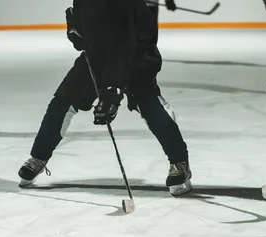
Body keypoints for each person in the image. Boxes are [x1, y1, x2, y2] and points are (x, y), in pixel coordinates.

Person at [18, 0, 192, 196]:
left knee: (149, 105)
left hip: (136, 57)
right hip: (97, 55)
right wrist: (74, 27)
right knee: (62, 101)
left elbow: (123, 44)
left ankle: (180, 163)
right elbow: (79, 12)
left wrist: (113, 91)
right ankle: (38, 157)